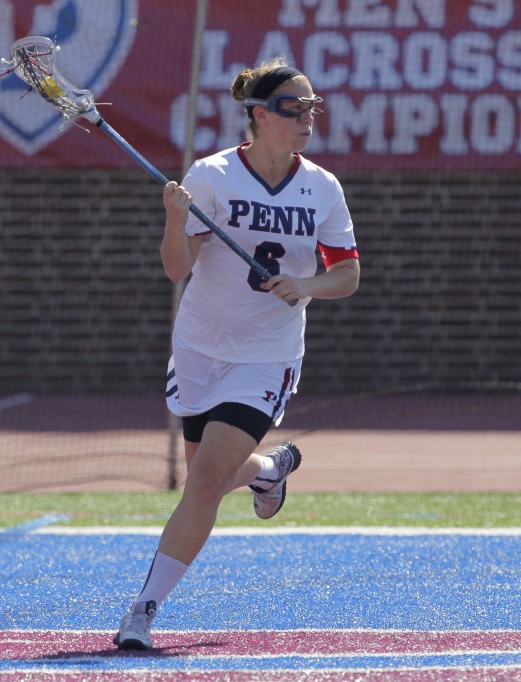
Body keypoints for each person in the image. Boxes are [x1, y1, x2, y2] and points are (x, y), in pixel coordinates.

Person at [113, 57, 360, 650]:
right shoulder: (212, 176)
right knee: (213, 473)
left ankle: (141, 611)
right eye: (291, 109)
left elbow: (347, 275)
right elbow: (178, 268)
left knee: (201, 484)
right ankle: (270, 470)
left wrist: (307, 284)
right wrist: (175, 222)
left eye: (311, 109)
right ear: (258, 115)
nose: (306, 120)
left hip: (266, 356)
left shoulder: (321, 187)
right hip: (199, 347)